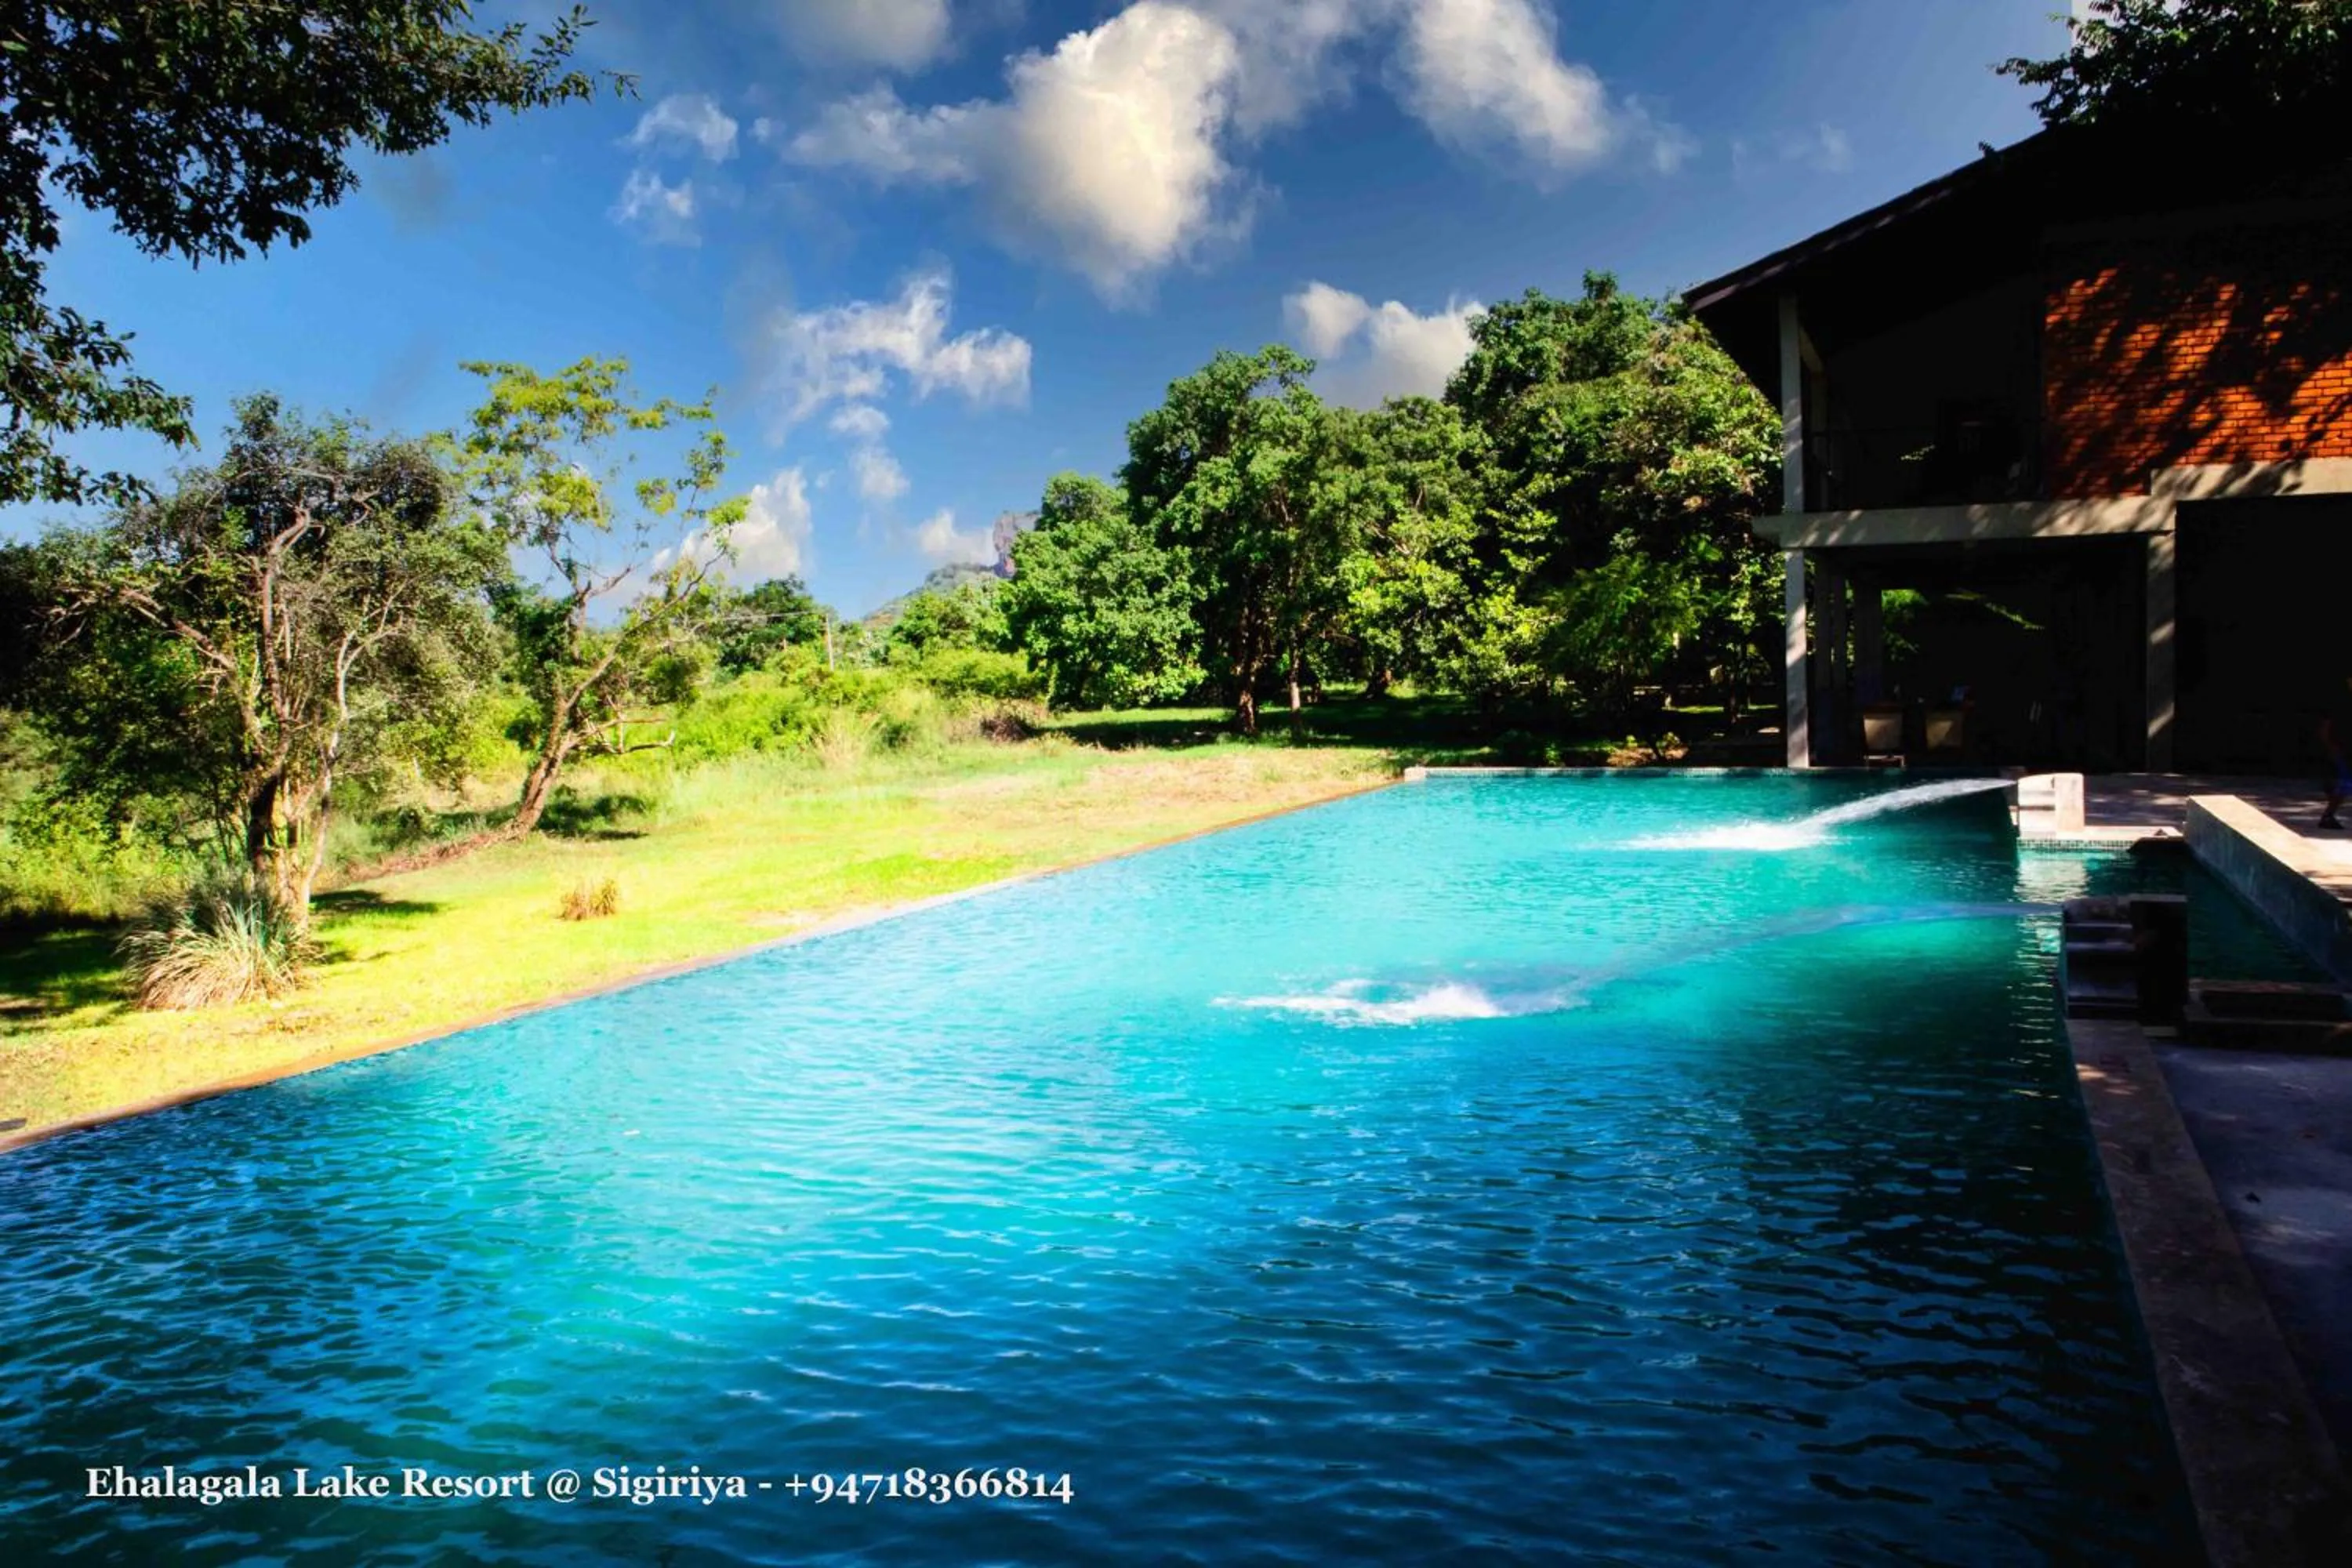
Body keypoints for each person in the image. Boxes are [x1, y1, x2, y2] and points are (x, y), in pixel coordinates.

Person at [2323, 676, 2352, 830]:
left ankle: (2329, 815)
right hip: (2340, 748)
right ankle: (2328, 815)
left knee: (2345, 784)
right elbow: (2326, 728)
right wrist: (2331, 747)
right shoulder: (2339, 703)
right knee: (2345, 784)